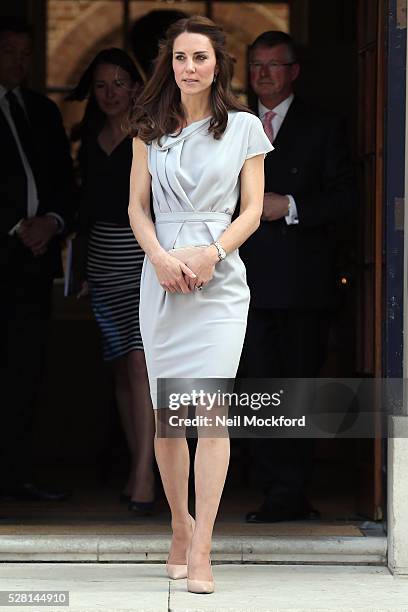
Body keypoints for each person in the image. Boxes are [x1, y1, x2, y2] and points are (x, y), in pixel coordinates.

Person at [128, 15, 272, 594]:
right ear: (170, 64)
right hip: (160, 277)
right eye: (182, 58)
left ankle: (205, 546)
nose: (190, 67)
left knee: (210, 415)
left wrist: (212, 253)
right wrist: (161, 258)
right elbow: (137, 208)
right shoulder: (148, 128)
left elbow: (254, 210)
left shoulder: (243, 128)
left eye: (201, 58)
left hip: (219, 279)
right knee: (169, 419)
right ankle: (179, 528)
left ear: (219, 66)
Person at [240, 31, 356, 523]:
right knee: (254, 385)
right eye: (256, 66)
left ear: (293, 72)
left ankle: (290, 491)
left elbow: (347, 197)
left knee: (297, 387)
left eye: (274, 65)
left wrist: (288, 205)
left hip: (303, 282)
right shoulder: (234, 124)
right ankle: (270, 485)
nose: (263, 74)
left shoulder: (323, 125)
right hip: (242, 280)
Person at [67, 48, 155, 514]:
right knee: (122, 366)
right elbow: (83, 214)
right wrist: (79, 269)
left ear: (136, 86)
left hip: (141, 258)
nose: (110, 93)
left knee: (142, 366)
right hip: (101, 262)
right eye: (101, 85)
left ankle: (145, 473)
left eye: (120, 83)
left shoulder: (151, 134)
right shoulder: (89, 136)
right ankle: (140, 465)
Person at [0, 17, 74, 501]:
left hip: (33, 265)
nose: (20, 63)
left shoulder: (43, 110)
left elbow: (66, 183)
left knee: (25, 374)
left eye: (27, 55)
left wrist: (51, 221)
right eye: (10, 53)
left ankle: (17, 475)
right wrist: (15, 226)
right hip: (3, 253)